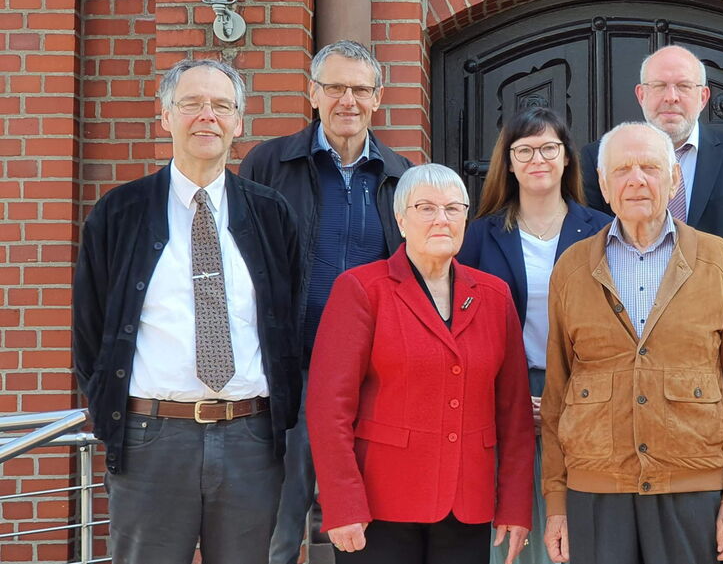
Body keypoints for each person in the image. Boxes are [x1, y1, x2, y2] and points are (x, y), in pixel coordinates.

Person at [72, 58, 303, 564]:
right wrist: (110, 410)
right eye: (192, 104)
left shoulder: (270, 213)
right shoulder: (120, 212)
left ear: (239, 122)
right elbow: (90, 331)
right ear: (166, 117)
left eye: (221, 106)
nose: (207, 117)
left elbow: (291, 320)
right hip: (152, 438)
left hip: (250, 438)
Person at [541, 122, 723, 564]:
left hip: (695, 485)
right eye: (622, 170)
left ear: (674, 178)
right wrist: (556, 502)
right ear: (603, 186)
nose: (637, 180)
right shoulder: (571, 268)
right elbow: (556, 394)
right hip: (596, 489)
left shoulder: (720, 261)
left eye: (650, 167)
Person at [308, 163, 535, 564]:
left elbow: (514, 414)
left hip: (467, 503)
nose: (441, 219)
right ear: (401, 219)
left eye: (453, 208)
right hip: (381, 505)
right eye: (426, 208)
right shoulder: (362, 290)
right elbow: (329, 408)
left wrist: (515, 505)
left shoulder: (494, 297)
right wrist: (342, 503)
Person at [239, 40, 413, 564]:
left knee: (363, 516)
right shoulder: (269, 164)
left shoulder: (401, 175)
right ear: (312, 93)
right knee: (278, 518)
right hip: (286, 370)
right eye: (335, 87)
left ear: (377, 98)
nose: (348, 100)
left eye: (360, 89)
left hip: (371, 377)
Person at [456, 107, 611, 564]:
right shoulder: (478, 237)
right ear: (507, 162)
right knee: (513, 526)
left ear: (567, 159)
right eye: (523, 150)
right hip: (504, 393)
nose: (537, 159)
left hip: (586, 394)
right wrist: (509, 393)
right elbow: (461, 328)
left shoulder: (601, 232)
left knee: (578, 526)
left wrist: (568, 394)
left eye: (548, 148)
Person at [580, 45, 723, 241]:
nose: (671, 97)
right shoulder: (598, 157)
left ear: (703, 97)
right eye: (659, 86)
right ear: (641, 95)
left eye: (684, 86)